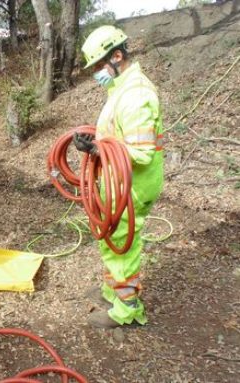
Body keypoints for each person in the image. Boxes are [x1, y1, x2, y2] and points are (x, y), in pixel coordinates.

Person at [74, 26, 164, 328]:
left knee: (122, 246)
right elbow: (115, 135)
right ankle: (113, 291)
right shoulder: (120, 89)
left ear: (117, 55)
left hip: (133, 187)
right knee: (109, 239)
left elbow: (140, 153)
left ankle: (127, 309)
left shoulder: (135, 94)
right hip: (118, 183)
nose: (97, 72)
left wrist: (99, 149)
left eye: (100, 65)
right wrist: (96, 142)